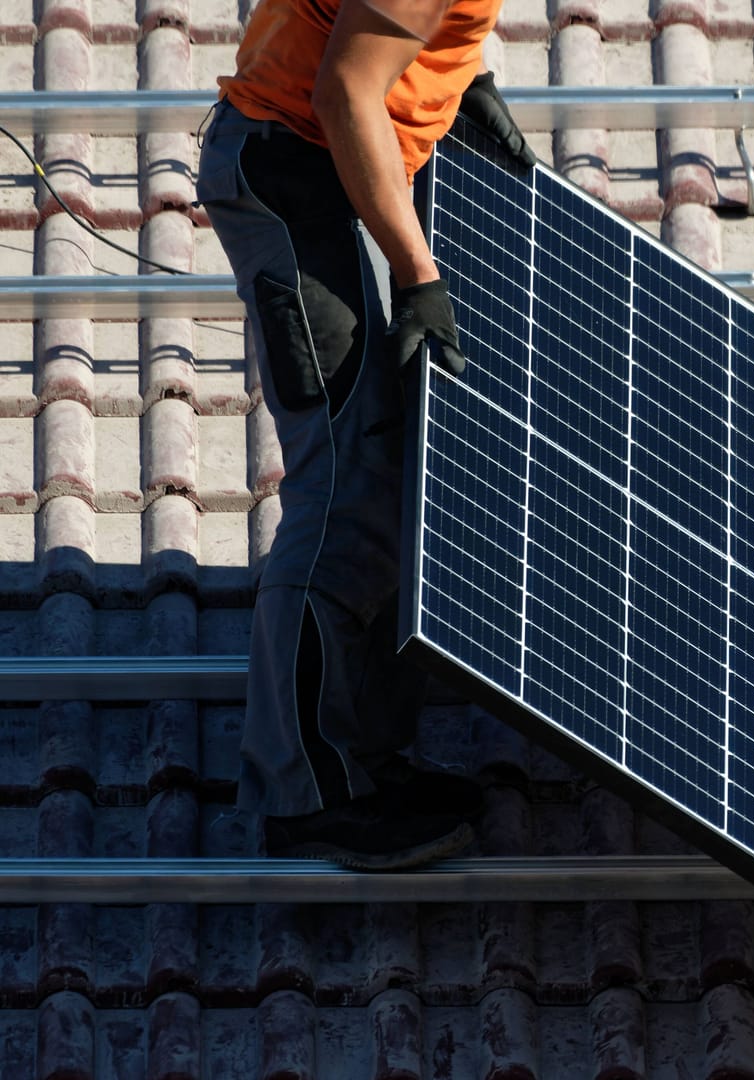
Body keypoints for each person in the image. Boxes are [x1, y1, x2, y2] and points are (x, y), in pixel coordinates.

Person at [196, 0, 538, 870]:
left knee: (392, 465)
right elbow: (348, 89)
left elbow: (395, 29)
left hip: (328, 150)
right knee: (347, 476)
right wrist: (417, 276)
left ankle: (369, 759)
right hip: (294, 168)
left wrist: (460, 78)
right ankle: (306, 792)